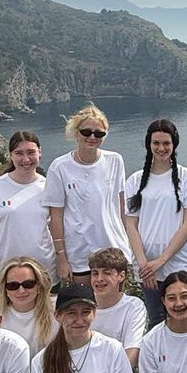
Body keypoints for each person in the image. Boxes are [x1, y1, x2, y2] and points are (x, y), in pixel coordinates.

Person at [124, 119, 187, 327]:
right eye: (156, 143)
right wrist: (144, 264)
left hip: (178, 262)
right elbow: (130, 225)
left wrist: (160, 261)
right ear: (148, 144)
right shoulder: (135, 180)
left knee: (182, 318)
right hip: (146, 266)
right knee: (156, 320)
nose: (161, 148)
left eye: (166, 143)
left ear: (174, 144)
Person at [45, 104, 133, 283]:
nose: (92, 137)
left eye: (98, 133)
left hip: (113, 249)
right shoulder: (60, 167)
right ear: (76, 133)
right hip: (78, 254)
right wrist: (61, 258)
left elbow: (121, 206)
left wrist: (129, 246)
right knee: (82, 300)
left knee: (112, 300)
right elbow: (56, 216)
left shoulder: (115, 161)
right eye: (86, 132)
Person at [0, 130, 56, 285]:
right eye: (19, 153)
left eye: (31, 152)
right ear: (10, 155)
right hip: (7, 271)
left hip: (45, 270)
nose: (25, 159)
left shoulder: (50, 187)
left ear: (40, 152)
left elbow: (56, 227)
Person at [88, 247, 148, 370]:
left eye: (107, 273)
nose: (99, 279)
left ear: (121, 276)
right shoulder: (82, 304)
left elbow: (131, 353)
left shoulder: (133, 306)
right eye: (95, 273)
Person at [0, 256, 58, 359]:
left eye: (28, 284)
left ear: (39, 285)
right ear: (5, 289)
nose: (21, 291)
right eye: (13, 285)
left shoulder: (57, 309)